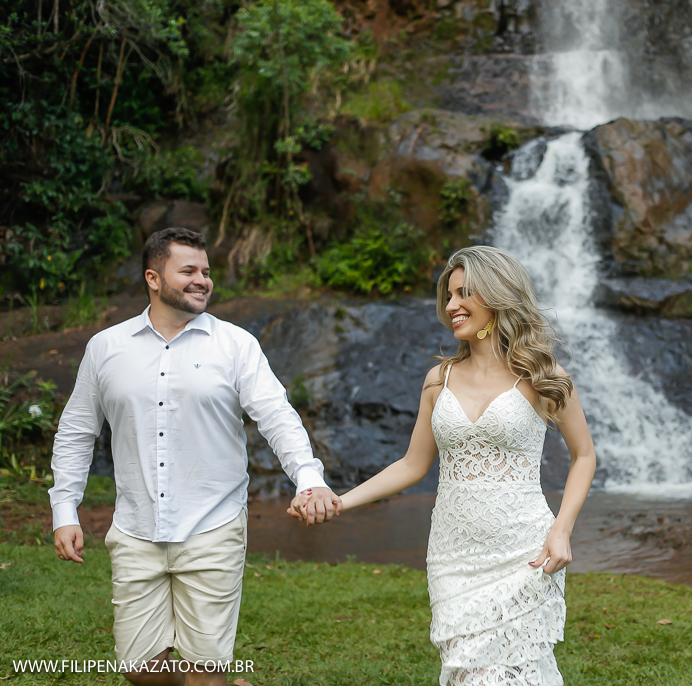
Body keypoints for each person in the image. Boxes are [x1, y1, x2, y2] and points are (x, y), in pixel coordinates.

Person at [290, 245, 597, 685]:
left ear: (496, 294)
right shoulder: (440, 380)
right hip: (453, 556)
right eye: (448, 296)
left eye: (463, 294)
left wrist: (562, 529)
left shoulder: (543, 375)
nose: (451, 306)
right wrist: (340, 500)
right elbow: (412, 465)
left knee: (515, 671)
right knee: (465, 672)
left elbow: (584, 455)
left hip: (521, 551)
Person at [50, 227, 340, 686]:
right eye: (188, 270)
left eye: (206, 271)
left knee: (203, 674)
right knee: (140, 672)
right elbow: (76, 431)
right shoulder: (106, 347)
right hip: (136, 529)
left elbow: (276, 416)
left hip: (213, 525)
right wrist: (65, 509)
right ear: (153, 277)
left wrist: (309, 478)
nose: (202, 280)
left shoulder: (235, 344)